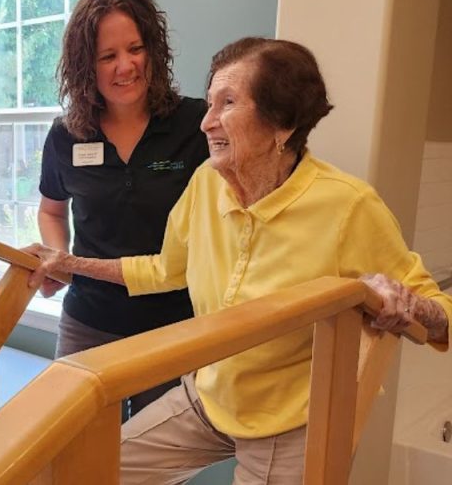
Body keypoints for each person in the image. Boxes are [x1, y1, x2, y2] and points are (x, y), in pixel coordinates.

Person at [26, 37, 452, 484]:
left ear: (282, 124)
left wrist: (407, 303)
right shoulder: (205, 183)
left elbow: (441, 313)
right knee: (84, 471)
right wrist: (70, 263)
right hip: (209, 394)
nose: (207, 121)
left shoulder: (349, 206)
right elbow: (163, 270)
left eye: (227, 103)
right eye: (210, 103)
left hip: (287, 419)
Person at [37, 0, 209, 417]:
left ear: (153, 49)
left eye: (135, 49)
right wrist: (59, 259)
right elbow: (51, 210)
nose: (125, 66)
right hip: (88, 322)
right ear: (86, 66)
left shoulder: (196, 125)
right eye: (107, 56)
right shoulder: (66, 135)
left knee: (153, 453)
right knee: (75, 444)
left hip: (173, 326)